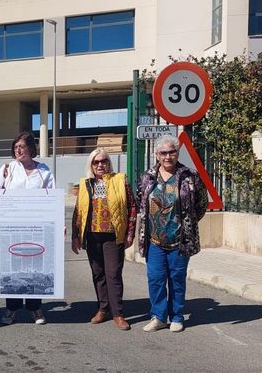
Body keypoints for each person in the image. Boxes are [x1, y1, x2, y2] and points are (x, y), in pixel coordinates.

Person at [137, 134, 208, 333]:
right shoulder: (147, 177)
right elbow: (139, 201)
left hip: (180, 240)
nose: (168, 156)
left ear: (177, 153)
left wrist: (188, 222)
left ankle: (177, 316)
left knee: (177, 279)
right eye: (163, 153)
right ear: (156, 154)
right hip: (154, 241)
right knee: (156, 279)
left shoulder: (189, 175)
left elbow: (201, 203)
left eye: (172, 152)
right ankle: (158, 316)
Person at [0, 131, 54, 325]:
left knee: (34, 267)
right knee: (13, 268)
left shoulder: (44, 171)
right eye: (15, 147)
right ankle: (11, 308)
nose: (18, 150)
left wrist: (59, 225)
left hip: (37, 229)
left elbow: (52, 200)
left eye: (21, 146)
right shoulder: (8, 169)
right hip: (11, 228)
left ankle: (35, 309)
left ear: (31, 149)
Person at [71, 148, 136, 330]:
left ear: (109, 163)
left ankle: (118, 313)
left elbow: (132, 207)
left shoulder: (120, 180)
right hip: (91, 236)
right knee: (98, 273)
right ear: (91, 165)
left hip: (113, 236)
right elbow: (78, 211)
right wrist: (76, 236)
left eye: (104, 161)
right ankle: (103, 308)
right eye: (96, 162)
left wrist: (130, 233)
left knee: (113, 274)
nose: (100, 165)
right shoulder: (85, 184)